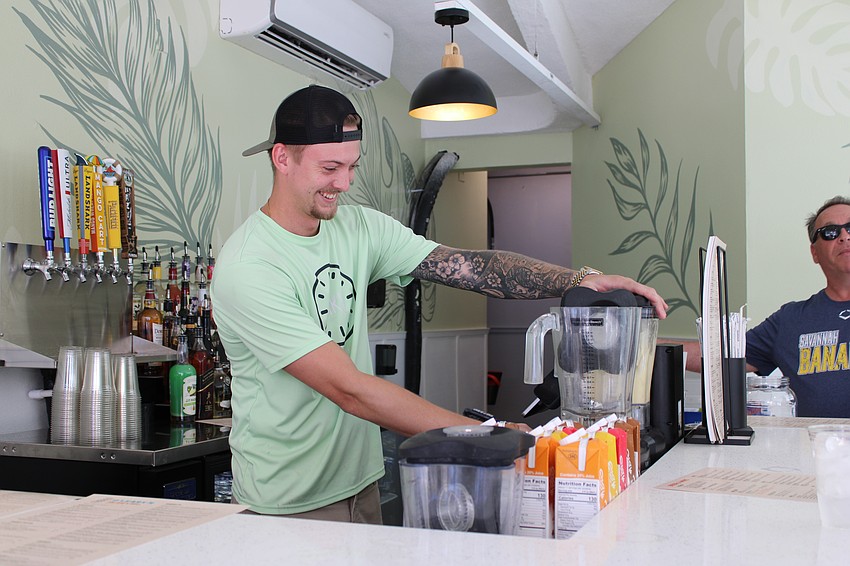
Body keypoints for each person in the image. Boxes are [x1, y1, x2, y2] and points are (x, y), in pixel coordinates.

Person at [209, 84, 668, 523]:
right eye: (330, 168)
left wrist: (581, 278)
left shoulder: (359, 228)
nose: (345, 183)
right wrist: (481, 435)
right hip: (287, 501)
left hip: (359, 485)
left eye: (352, 166)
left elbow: (468, 266)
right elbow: (349, 390)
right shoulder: (250, 267)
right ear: (282, 157)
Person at [683, 196, 850, 418]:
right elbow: (719, 355)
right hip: (814, 447)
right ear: (815, 253)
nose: (844, 237)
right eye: (830, 232)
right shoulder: (790, 320)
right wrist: (642, 342)